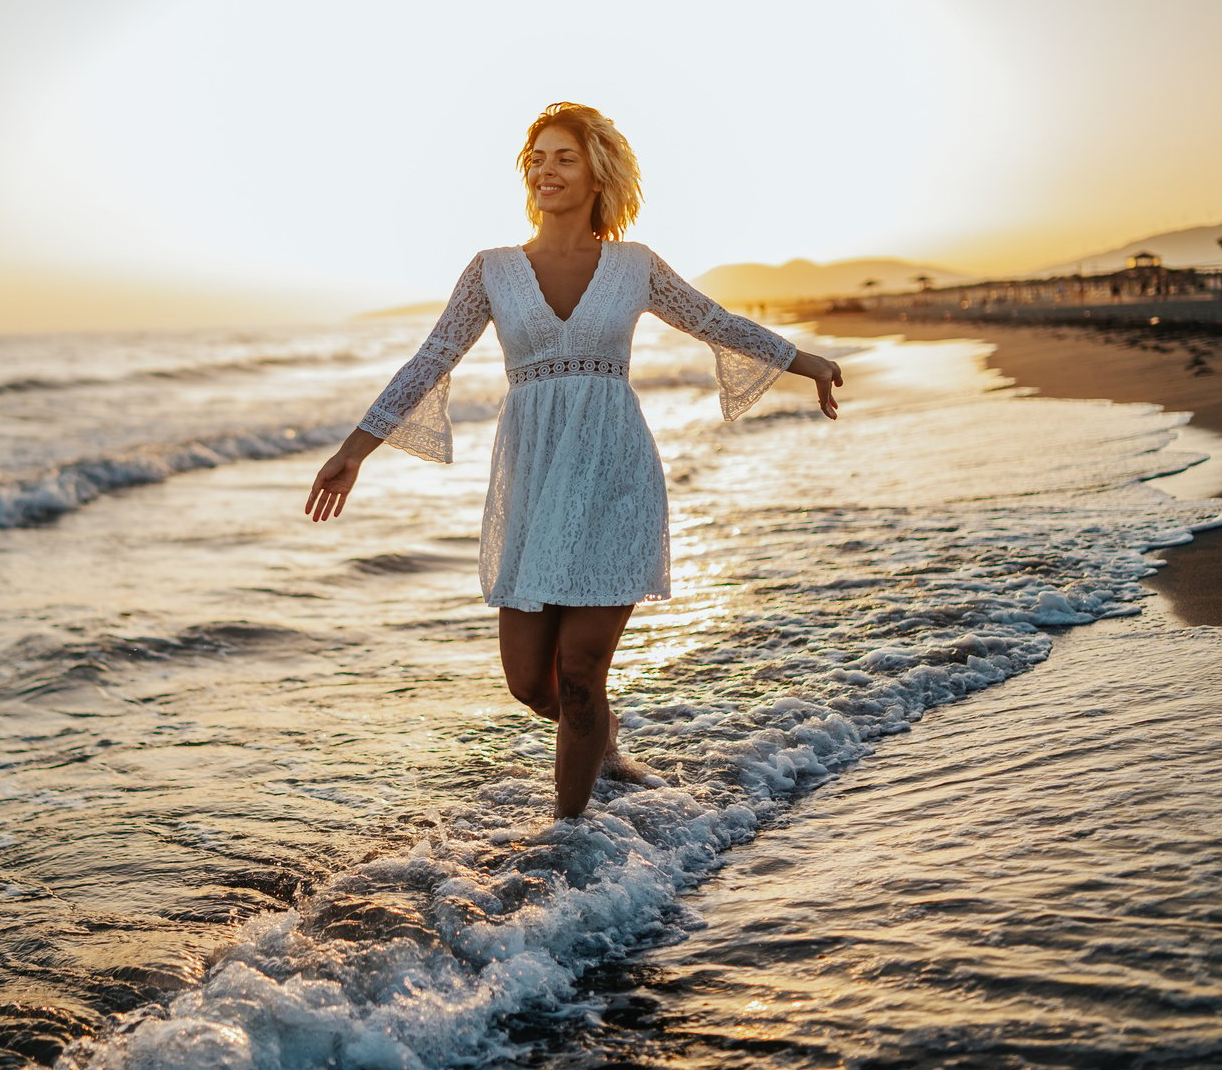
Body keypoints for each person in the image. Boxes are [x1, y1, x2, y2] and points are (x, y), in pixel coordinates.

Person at [304, 102, 843, 819]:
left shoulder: (634, 266)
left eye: (563, 157)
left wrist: (807, 362)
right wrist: (354, 450)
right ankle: (603, 737)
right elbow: (433, 358)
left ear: (598, 173)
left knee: (581, 671)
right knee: (531, 683)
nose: (545, 170)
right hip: (532, 487)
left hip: (615, 476)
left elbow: (713, 321)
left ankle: (570, 835)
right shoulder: (492, 271)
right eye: (537, 158)